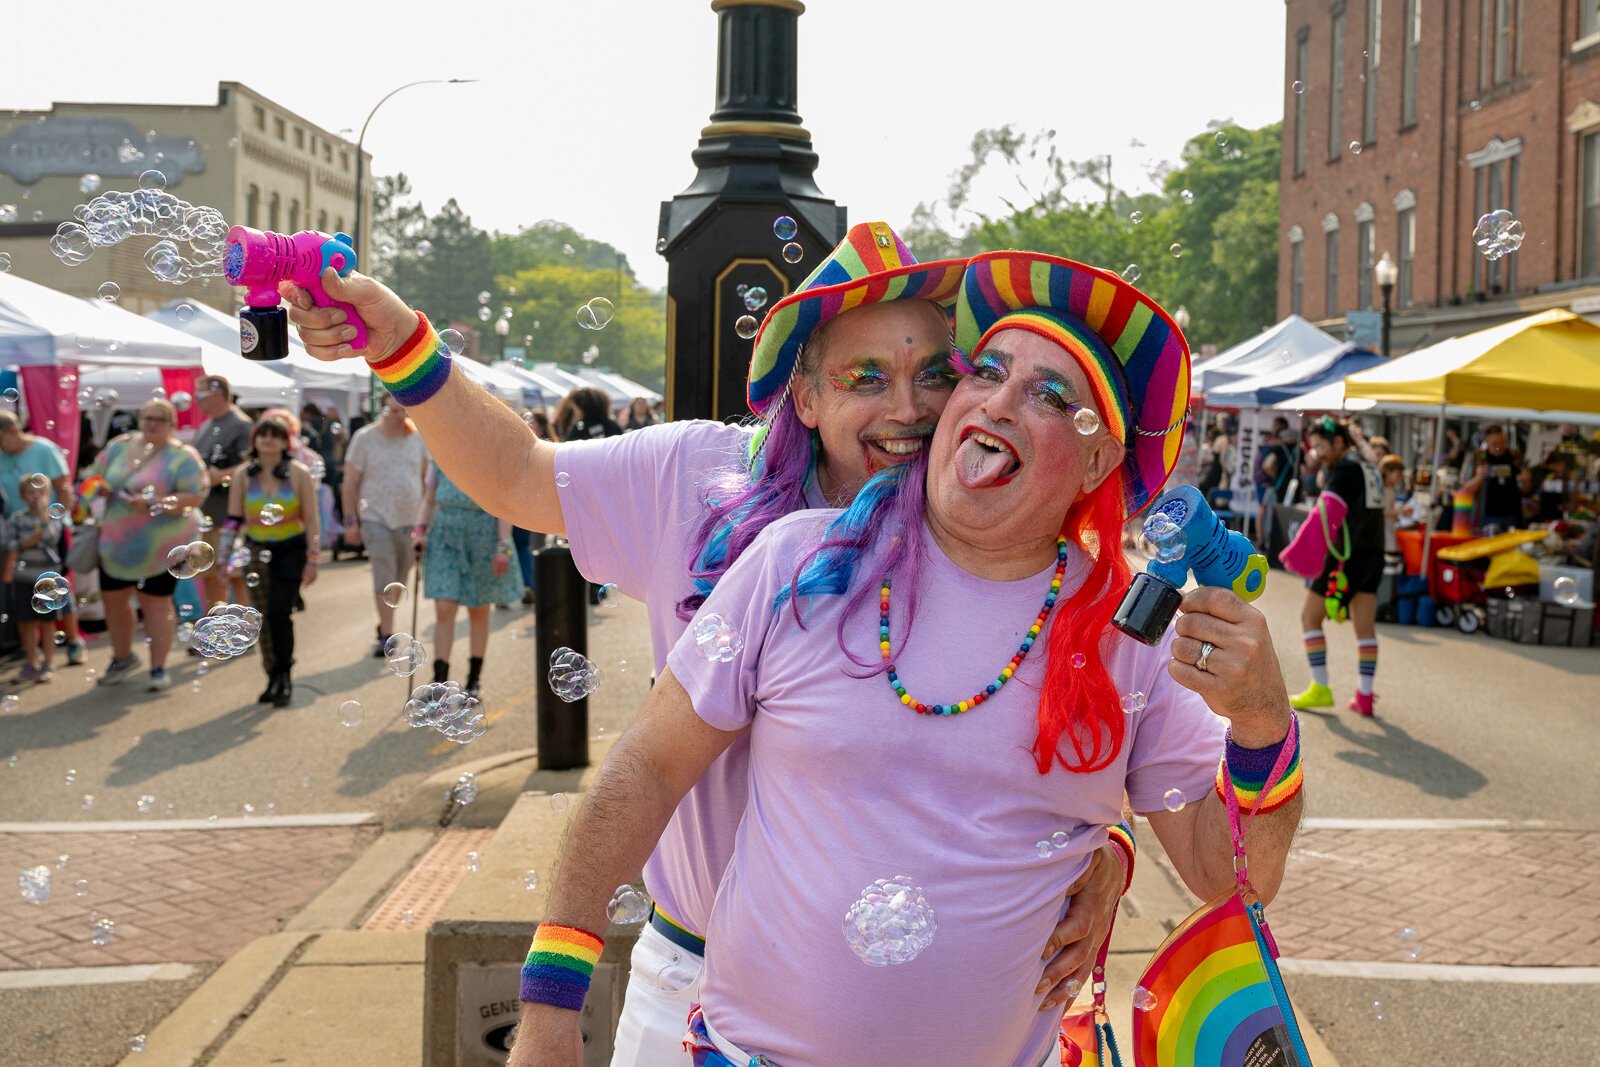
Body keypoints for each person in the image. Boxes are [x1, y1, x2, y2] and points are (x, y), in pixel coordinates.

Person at [282, 222, 1126, 1065]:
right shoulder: (697, 478)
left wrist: (1105, 847)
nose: (907, 409)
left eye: (934, 375)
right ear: (804, 396)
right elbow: (515, 473)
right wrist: (403, 347)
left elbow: (1045, 738)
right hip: (691, 984)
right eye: (864, 377)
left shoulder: (999, 545)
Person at [507, 251, 1301, 1066]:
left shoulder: (1127, 634)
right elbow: (646, 769)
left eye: (1050, 395)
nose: (997, 401)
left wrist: (1263, 718)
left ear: (1098, 463)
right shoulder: (797, 565)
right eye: (986, 370)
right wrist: (552, 1000)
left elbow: (1231, 874)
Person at [85, 398, 206, 691]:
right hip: (116, 546)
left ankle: (158, 668)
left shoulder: (182, 456)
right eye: (147, 418)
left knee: (156, 604)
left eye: (158, 420)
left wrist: (156, 504)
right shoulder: (119, 446)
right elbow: (91, 477)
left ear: (171, 425)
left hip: (163, 548)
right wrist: (95, 489)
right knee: (114, 603)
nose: (151, 424)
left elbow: (195, 496)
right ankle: (122, 657)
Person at [1280, 416, 1386, 716]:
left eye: (1321, 447)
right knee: (1364, 627)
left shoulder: (1345, 468)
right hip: (1373, 554)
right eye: (1313, 448)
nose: (1318, 454)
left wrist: (1300, 553)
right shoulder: (1367, 466)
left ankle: (1320, 688)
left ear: (1339, 442)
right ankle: (1364, 696)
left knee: (1309, 617)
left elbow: (1326, 513)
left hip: (1345, 557)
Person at [225, 414, 320, 707]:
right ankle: (271, 676)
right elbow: (233, 519)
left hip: (291, 549)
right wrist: (223, 557)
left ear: (285, 441)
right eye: (263, 434)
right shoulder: (244, 474)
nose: (268, 439)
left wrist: (312, 559)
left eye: (275, 435)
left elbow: (312, 520)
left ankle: (285, 675)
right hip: (256, 550)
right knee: (263, 616)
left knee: (280, 612)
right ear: (255, 440)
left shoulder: (298, 473)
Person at [415, 461, 520, 696]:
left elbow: (503, 506)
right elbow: (429, 499)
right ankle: (439, 681)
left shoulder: (488, 456)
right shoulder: (439, 454)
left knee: (478, 610)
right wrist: (420, 530)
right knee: (443, 607)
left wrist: (504, 546)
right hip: (445, 536)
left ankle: (474, 679)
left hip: (482, 538)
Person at [340, 398, 429, 657]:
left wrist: (425, 522)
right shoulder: (364, 438)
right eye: (393, 410)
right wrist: (350, 522)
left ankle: (385, 621)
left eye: (404, 410)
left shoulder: (417, 438)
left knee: (399, 579)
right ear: (382, 410)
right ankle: (386, 634)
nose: (399, 416)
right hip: (375, 518)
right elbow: (350, 484)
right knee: (384, 574)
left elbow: (426, 481)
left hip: (410, 521)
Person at [0, 411, 86, 663]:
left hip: (50, 531)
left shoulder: (44, 450)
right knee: (23, 588)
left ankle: (73, 640)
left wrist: (51, 524)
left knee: (57, 587)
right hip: (18, 530)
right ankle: (29, 647)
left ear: (13, 431)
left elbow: (64, 491)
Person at [191, 376, 252, 608]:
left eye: (200, 396)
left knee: (234, 574)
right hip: (207, 512)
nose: (197, 402)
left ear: (217, 395)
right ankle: (214, 629)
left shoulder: (240, 425)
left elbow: (252, 465)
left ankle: (242, 627)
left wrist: (221, 475)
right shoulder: (206, 426)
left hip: (229, 513)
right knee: (208, 571)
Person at [4, 473, 71, 684]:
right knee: (26, 623)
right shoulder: (17, 518)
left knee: (48, 624)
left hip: (48, 578)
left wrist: (43, 519)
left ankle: (48, 663)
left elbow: (52, 537)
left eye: (41, 492)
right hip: (24, 578)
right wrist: (27, 542)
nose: (36, 496)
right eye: (31, 492)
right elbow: (10, 544)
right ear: (23, 496)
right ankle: (31, 662)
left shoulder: (51, 518)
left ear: (49, 495)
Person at [1461, 424, 1521, 531]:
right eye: (1495, 444)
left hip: (1512, 514)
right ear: (1487, 442)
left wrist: (1524, 480)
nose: (1500, 447)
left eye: (1503, 442)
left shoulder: (1514, 455)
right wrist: (1479, 477)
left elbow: (1524, 485)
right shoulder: (1476, 457)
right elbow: (1465, 489)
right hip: (1486, 515)